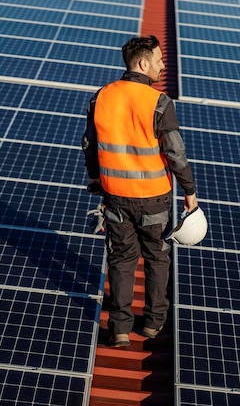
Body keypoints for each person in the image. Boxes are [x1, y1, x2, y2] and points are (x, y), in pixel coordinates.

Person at [81, 35, 198, 347]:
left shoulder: (101, 97)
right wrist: (190, 191)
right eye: (159, 60)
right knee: (158, 258)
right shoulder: (158, 102)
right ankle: (153, 324)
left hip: (114, 196)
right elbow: (175, 154)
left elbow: (89, 144)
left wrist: (95, 178)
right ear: (144, 63)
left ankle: (119, 328)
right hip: (153, 198)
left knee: (121, 258)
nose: (162, 66)